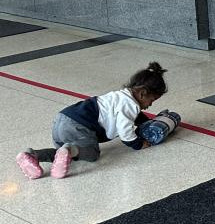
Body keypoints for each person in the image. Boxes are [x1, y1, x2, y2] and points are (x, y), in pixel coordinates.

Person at [15, 63, 168, 180]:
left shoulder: (120, 96)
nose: (151, 104)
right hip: (80, 125)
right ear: (142, 94)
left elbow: (131, 117)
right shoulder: (131, 105)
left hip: (61, 120)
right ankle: (69, 149)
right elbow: (125, 132)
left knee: (65, 155)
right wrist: (139, 144)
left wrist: (145, 122)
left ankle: (32, 155)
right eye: (152, 100)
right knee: (92, 154)